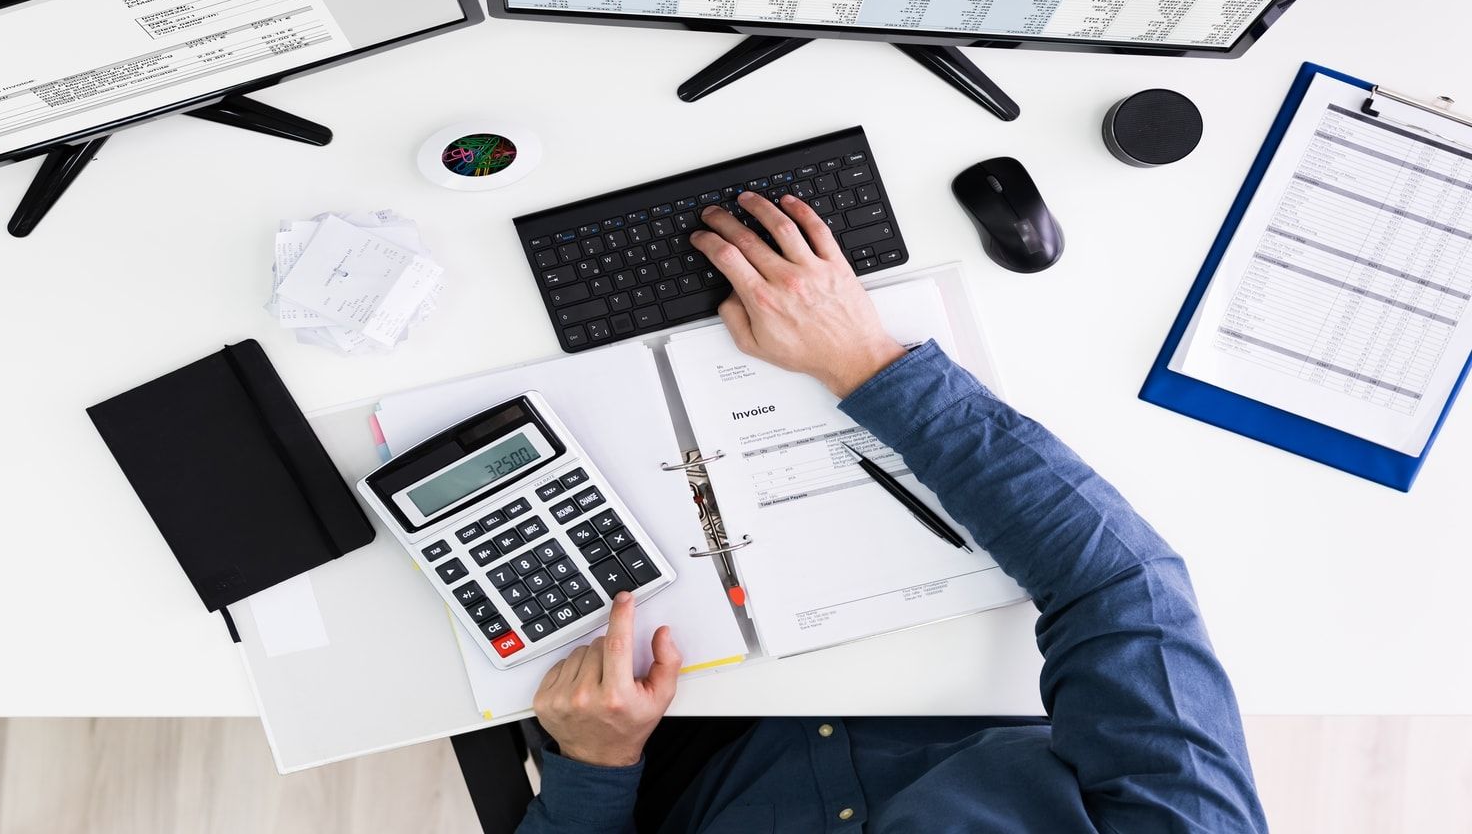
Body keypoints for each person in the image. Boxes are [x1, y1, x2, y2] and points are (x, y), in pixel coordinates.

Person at [515, 191, 1268, 833]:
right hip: (944, 679)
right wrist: (862, 361)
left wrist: (594, 764)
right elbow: (1123, 589)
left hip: (669, 742)